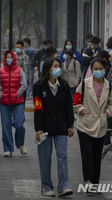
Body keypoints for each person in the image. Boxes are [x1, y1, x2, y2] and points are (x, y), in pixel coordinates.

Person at [73, 57, 112, 192]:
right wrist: (82, 110)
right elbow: (76, 101)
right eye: (95, 69)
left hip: (100, 124)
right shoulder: (85, 84)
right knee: (87, 153)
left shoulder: (109, 86)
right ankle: (88, 180)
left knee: (97, 155)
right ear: (91, 70)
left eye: (100, 69)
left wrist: (107, 113)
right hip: (85, 124)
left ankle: (96, 182)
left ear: (105, 69)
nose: (98, 71)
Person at [33, 58, 74, 197]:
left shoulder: (64, 85)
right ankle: (46, 186)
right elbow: (37, 109)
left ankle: (63, 186)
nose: (58, 68)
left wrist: (70, 125)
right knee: (45, 158)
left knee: (62, 156)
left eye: (59, 66)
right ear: (48, 69)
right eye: (55, 66)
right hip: (44, 128)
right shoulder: (39, 86)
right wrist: (38, 129)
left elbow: (69, 106)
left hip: (61, 127)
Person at [0, 50, 27, 157]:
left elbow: (24, 85)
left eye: (10, 57)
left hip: (17, 102)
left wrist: (16, 95)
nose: (9, 59)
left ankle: (20, 143)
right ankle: (8, 149)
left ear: (14, 58)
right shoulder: (0, 71)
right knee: (6, 125)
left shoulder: (19, 71)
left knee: (19, 124)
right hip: (4, 102)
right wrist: (2, 94)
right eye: (7, 57)